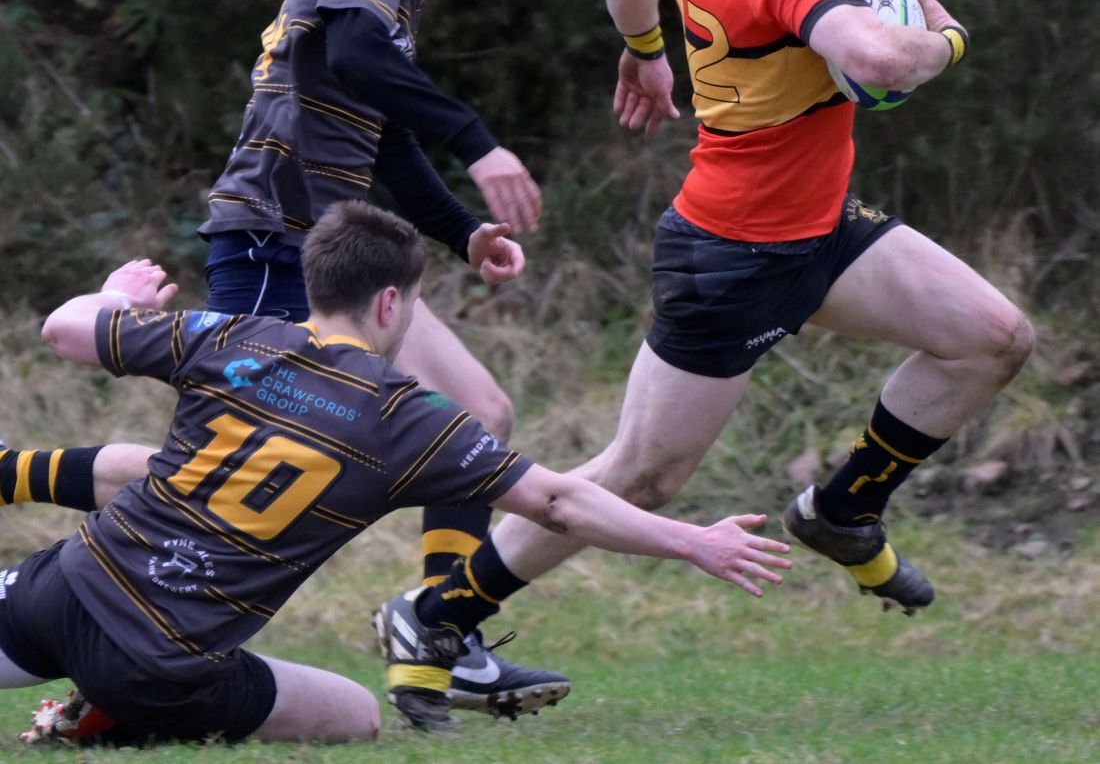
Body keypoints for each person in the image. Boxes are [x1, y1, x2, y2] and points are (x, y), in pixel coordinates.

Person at [373, 0, 1035, 727]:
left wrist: (646, 56)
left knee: (992, 336)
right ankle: (434, 614)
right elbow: (878, 56)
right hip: (729, 259)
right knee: (639, 473)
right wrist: (947, 38)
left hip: (821, 232)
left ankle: (840, 508)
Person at [2, 0, 561, 714]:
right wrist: (479, 141)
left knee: (477, 412)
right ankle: (98, 626)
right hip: (277, 240)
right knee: (214, 475)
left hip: (325, 242)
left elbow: (368, 122)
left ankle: (438, 634)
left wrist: (463, 233)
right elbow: (352, 53)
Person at [0, 202, 791, 745]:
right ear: (389, 304)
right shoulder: (406, 419)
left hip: (63, 584)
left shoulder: (233, 337)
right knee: (354, 715)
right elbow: (555, 499)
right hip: (159, 664)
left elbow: (64, 328)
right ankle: (103, 722)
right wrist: (692, 542)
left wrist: (113, 295)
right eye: (412, 305)